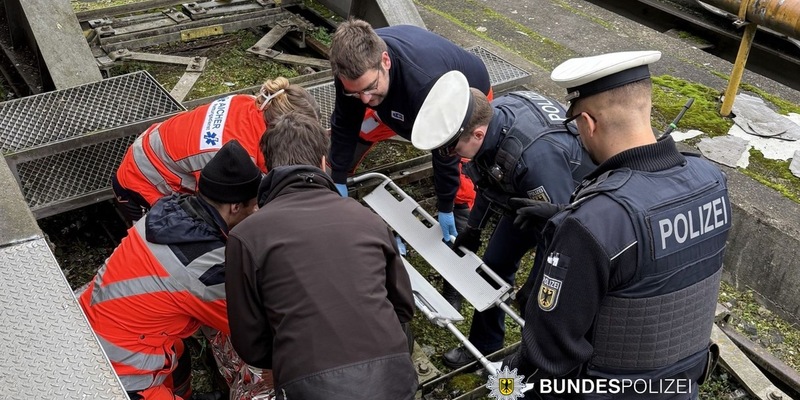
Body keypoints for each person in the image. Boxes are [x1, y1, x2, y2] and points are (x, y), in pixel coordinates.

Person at [502, 51, 731, 399]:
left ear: (587, 123)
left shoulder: (594, 223)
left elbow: (549, 355)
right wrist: (565, 215)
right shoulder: (712, 180)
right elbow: (656, 263)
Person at [225, 113, 418, 400]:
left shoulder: (246, 236)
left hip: (309, 386)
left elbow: (250, 341)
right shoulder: (367, 219)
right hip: (392, 379)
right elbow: (403, 307)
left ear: (266, 167)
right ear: (324, 162)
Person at [410, 71, 595, 369]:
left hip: (565, 209)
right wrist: (473, 228)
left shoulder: (535, 157)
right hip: (526, 201)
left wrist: (535, 283)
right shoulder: (490, 121)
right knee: (492, 268)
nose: (448, 155)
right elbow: (490, 180)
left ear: (478, 135)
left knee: (540, 300)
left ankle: (533, 365)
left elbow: (567, 233)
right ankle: (485, 348)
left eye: (450, 147)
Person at [79, 140, 261, 400]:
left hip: (89, 322)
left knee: (178, 354)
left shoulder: (168, 210)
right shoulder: (206, 270)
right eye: (253, 206)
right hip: (117, 370)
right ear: (234, 207)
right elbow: (250, 328)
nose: (256, 211)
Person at [327, 18, 492, 243]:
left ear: (385, 61)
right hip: (398, 92)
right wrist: (337, 176)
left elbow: (445, 148)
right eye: (355, 93)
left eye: (369, 88)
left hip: (466, 101)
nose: (364, 99)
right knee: (361, 129)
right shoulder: (351, 71)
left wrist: (445, 203)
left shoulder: (424, 84)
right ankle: (342, 177)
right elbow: (345, 122)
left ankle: (459, 218)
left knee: (458, 164)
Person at [113, 76, 319, 222]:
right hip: (142, 183)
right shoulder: (231, 155)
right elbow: (225, 216)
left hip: (156, 150)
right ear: (280, 128)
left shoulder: (252, 103)